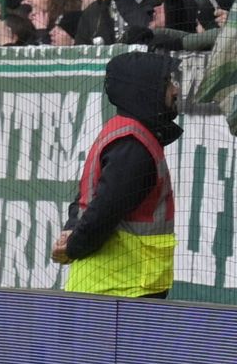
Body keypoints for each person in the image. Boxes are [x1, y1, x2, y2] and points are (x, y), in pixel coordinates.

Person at [53, 48, 181, 299]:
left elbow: (87, 199)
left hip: (110, 287)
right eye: (168, 83)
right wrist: (74, 247)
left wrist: (71, 231)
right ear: (145, 89)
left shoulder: (122, 132)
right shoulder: (134, 145)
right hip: (121, 290)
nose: (175, 90)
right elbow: (104, 210)